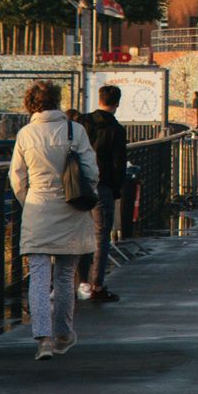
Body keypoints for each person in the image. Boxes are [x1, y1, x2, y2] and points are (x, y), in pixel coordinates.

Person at [9, 78, 100, 361]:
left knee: (38, 277)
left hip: (37, 208)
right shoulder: (75, 130)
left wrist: (30, 201)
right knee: (63, 276)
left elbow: (17, 177)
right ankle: (63, 333)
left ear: (31, 104)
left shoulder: (25, 134)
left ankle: (43, 340)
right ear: (57, 100)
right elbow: (90, 170)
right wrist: (88, 195)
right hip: (70, 208)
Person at [78, 82, 128, 303]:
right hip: (103, 186)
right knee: (101, 236)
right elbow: (119, 164)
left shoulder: (83, 123)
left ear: (98, 99)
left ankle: (76, 283)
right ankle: (96, 285)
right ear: (117, 103)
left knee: (78, 234)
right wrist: (117, 189)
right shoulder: (116, 130)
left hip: (79, 187)